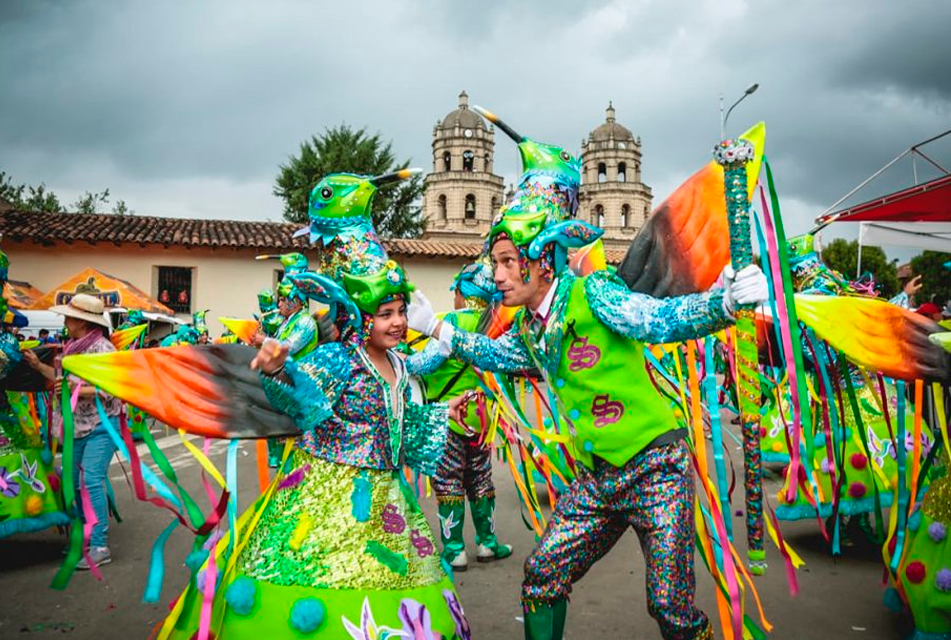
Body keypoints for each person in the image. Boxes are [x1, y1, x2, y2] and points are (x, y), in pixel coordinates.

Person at [408, 184, 768, 639]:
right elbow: (496, 355)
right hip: (597, 478)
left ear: (542, 260)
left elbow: (653, 319)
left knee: (670, 605)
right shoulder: (528, 327)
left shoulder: (593, 291)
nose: (495, 274)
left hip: (655, 468)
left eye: (505, 261)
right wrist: (438, 328)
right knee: (541, 574)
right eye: (493, 262)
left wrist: (724, 304)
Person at [414, 262, 513, 571]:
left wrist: (402, 359)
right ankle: (487, 543)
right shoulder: (495, 326)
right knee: (480, 478)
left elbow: (423, 365)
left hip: (449, 416)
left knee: (449, 480)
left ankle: (455, 550)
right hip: (482, 418)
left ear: (461, 292)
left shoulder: (447, 323)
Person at [23, 294, 122, 569]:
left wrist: (74, 391)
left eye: (69, 317)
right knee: (73, 484)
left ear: (81, 321)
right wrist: (37, 366)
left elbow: (112, 389)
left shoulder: (103, 350)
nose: (65, 321)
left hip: (103, 426)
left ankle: (100, 545)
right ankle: (83, 541)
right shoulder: (73, 348)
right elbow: (60, 381)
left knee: (89, 481)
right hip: (76, 428)